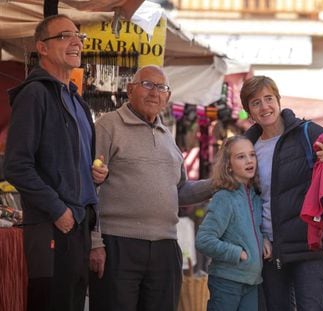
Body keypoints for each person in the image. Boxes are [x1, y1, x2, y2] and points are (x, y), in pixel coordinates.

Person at [3, 15, 108, 311]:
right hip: (53, 226)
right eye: (64, 36)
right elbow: (17, 165)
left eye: (78, 36)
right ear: (42, 48)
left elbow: (71, 163)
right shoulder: (35, 94)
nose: (76, 41)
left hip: (78, 225)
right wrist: (57, 209)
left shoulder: (77, 102)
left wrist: (94, 174)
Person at [88, 65, 213, 311]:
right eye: (147, 84)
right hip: (118, 244)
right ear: (130, 89)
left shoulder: (167, 136)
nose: (154, 92)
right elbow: (90, 185)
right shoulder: (108, 125)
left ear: (167, 96)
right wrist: (94, 242)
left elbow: (180, 192)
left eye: (161, 87)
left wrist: (217, 183)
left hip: (165, 246)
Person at [241, 75, 323, 310]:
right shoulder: (246, 147)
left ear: (278, 100)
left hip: (310, 245)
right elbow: (244, 198)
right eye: (256, 103)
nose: (264, 107)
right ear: (249, 112)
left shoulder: (306, 132)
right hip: (270, 249)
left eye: (268, 98)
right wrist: (258, 236)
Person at [195, 135, 272, 311]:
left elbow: (252, 229)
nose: (249, 160)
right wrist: (237, 253)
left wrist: (264, 239)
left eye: (252, 155)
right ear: (228, 165)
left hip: (252, 282)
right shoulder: (224, 197)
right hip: (227, 282)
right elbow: (204, 240)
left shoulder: (255, 195)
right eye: (241, 156)